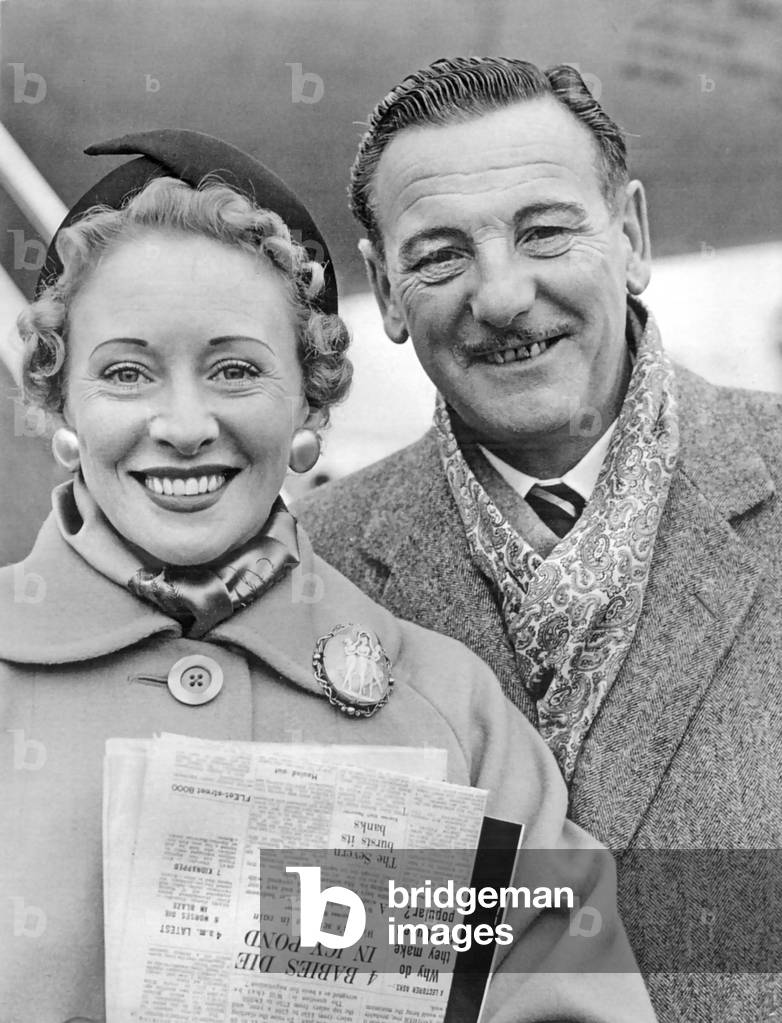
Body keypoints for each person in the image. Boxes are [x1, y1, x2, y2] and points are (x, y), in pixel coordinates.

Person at [0, 130, 655, 1023]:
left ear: (309, 400)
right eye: (126, 372)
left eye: (236, 369)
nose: (185, 423)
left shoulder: (449, 713)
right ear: (60, 399)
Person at [294, 58, 782, 1019]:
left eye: (545, 231)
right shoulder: (314, 567)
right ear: (385, 290)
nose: (503, 295)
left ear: (632, 236)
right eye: (439, 255)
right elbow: (304, 932)